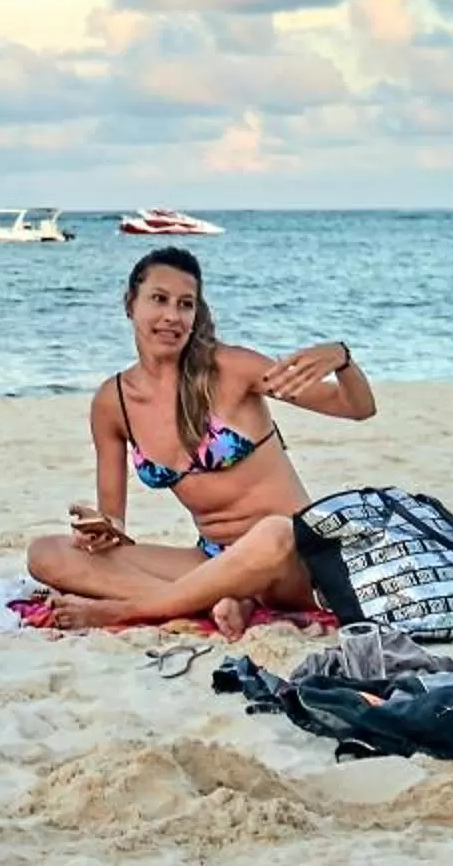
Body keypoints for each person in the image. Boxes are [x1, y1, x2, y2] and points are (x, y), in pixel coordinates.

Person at [25, 247, 373, 633]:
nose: (172, 316)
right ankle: (216, 602)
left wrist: (341, 358)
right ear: (130, 304)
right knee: (47, 554)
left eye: (185, 304)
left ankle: (131, 608)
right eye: (159, 299)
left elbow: (357, 407)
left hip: (292, 560)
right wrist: (99, 530)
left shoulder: (233, 369)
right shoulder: (114, 402)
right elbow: (115, 529)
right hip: (210, 559)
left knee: (275, 531)